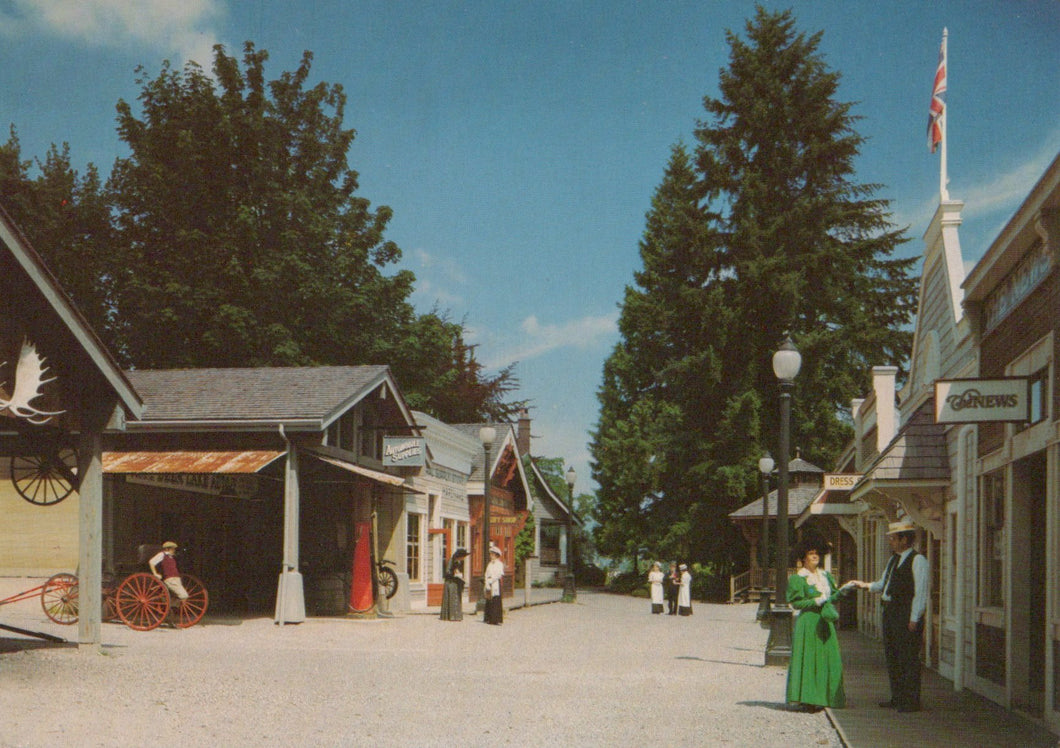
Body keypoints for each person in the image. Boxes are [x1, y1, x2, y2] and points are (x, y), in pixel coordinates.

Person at [850, 518, 929, 713]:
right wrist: (865, 585)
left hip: (905, 614)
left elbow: (921, 592)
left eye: (893, 538)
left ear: (904, 540)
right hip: (891, 612)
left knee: (908, 657)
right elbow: (883, 584)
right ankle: (898, 697)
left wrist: (914, 618)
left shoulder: (918, 560)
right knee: (893, 656)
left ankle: (910, 701)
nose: (890, 542)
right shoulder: (894, 559)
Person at [786, 535, 849, 711]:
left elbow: (832, 597)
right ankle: (809, 698)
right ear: (803, 557)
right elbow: (795, 603)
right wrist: (815, 602)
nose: (815, 556)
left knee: (827, 658)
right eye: (811, 553)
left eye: (817, 554)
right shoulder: (798, 578)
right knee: (809, 659)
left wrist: (845, 590)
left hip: (825, 621)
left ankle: (826, 696)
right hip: (809, 622)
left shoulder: (825, 576)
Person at [148, 541, 189, 607]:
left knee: (179, 595)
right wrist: (155, 573)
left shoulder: (171, 557)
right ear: (167, 549)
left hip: (176, 578)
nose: (174, 550)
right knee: (184, 595)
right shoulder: (162, 554)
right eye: (172, 549)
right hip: (170, 579)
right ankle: (168, 603)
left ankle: (168, 603)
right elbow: (151, 562)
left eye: (174, 549)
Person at [440, 548, 469, 621]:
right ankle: (450, 616)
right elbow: (447, 572)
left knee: (456, 598)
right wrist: (454, 574)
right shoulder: (451, 561)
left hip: (456, 582)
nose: (463, 558)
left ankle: (456, 615)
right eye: (463, 557)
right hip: (451, 582)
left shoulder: (459, 562)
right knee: (452, 598)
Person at [483, 544, 504, 625]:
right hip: (489, 582)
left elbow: (499, 574)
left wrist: (491, 580)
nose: (491, 556)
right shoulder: (490, 564)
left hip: (495, 583)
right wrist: (487, 581)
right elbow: (486, 573)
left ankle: (496, 619)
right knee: (489, 600)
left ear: (496, 555)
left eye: (493, 554)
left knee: (495, 600)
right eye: (491, 554)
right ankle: (488, 618)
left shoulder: (499, 564)